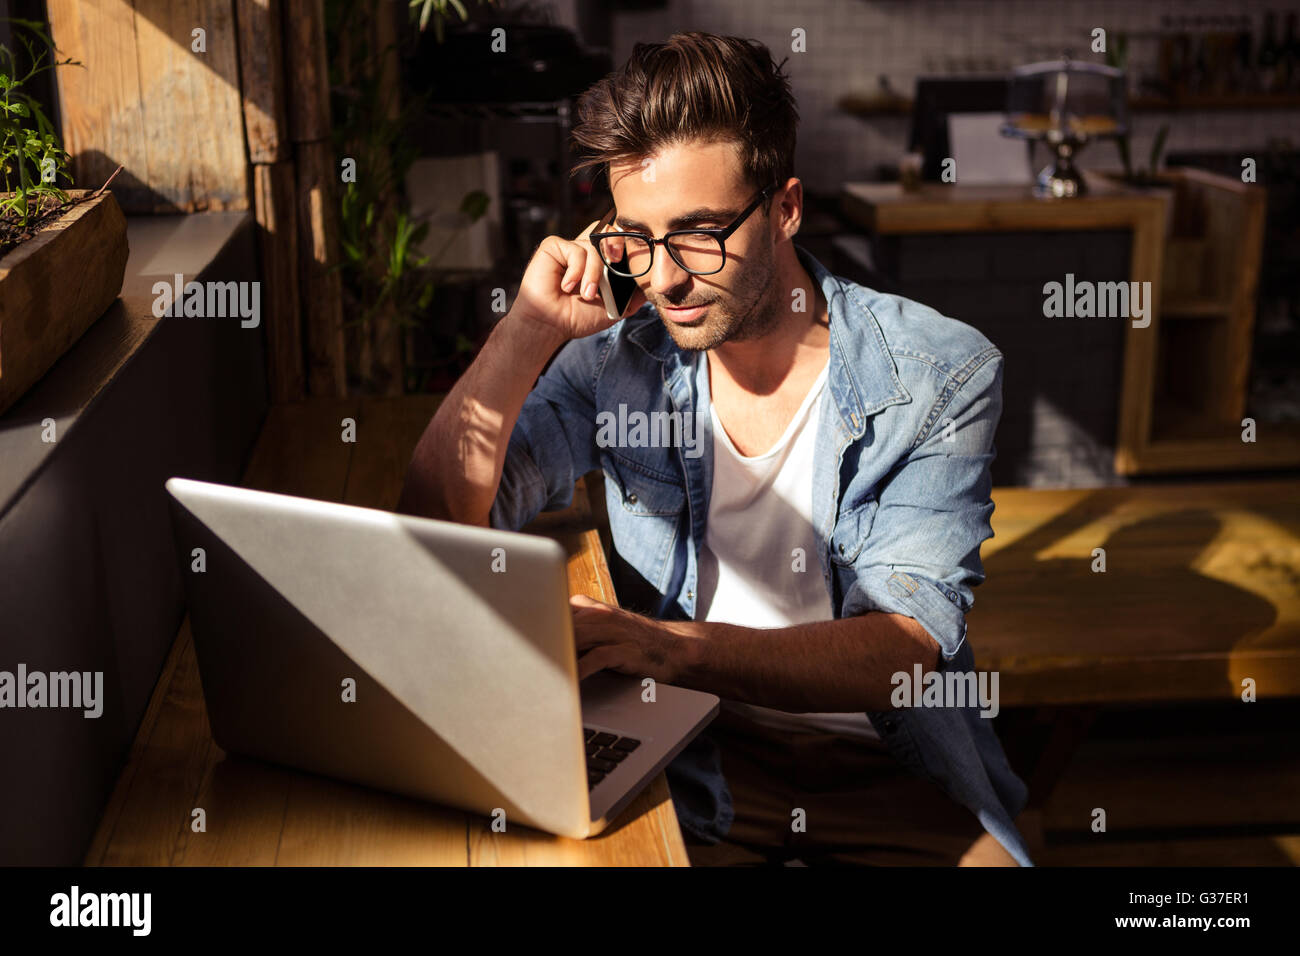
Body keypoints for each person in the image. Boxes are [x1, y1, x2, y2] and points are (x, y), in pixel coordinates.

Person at [399, 31, 1032, 867]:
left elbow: (903, 651)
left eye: (699, 233)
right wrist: (529, 329)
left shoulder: (939, 375)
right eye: (638, 238)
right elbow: (434, 520)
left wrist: (670, 649)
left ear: (786, 208)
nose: (663, 278)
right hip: (698, 767)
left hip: (898, 775)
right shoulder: (615, 367)